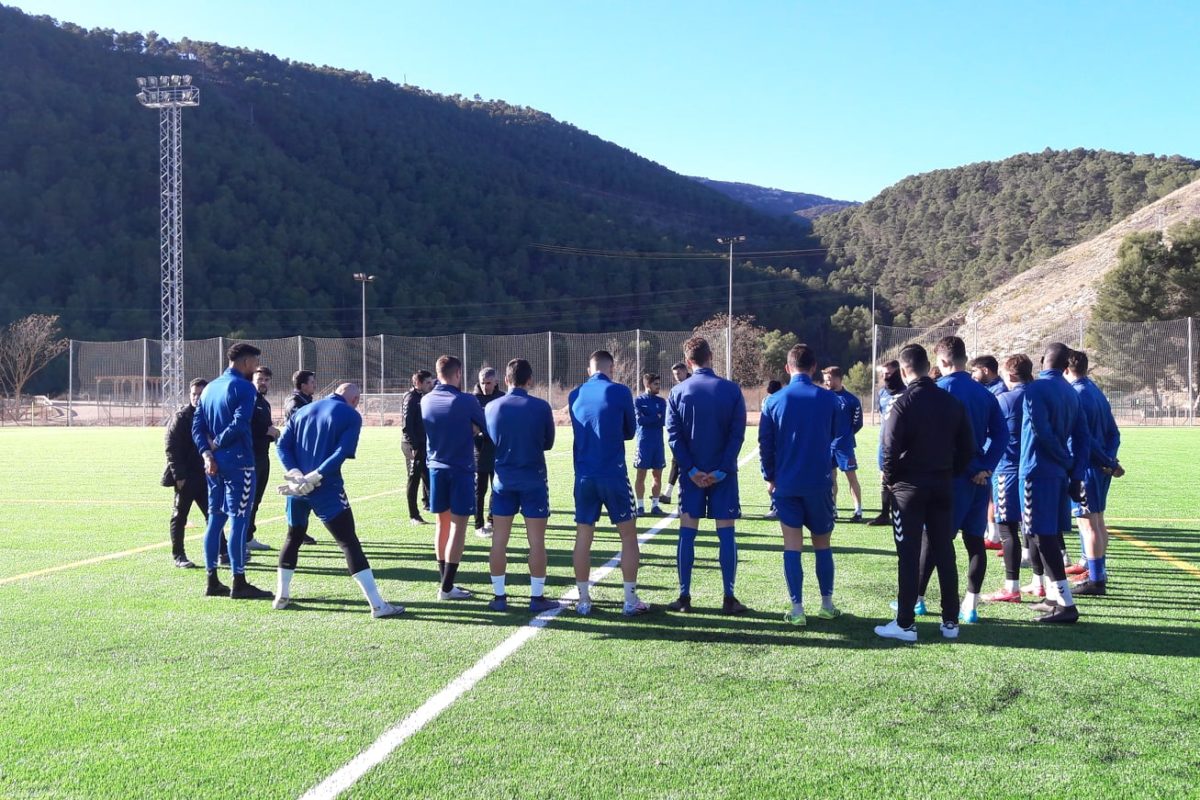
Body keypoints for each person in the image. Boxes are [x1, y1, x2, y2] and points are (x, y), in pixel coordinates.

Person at [273, 383, 403, 617]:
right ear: (355, 400)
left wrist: (295, 473)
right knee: (348, 543)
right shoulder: (351, 415)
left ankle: (281, 595)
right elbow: (341, 452)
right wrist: (316, 475)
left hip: (297, 488)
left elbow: (282, 444)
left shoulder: (304, 410)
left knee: (293, 537)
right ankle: (377, 605)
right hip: (326, 488)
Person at [875, 343, 975, 642]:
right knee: (944, 550)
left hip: (909, 489)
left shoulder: (902, 403)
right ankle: (950, 622)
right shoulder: (951, 402)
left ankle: (905, 623)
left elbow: (889, 449)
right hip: (942, 484)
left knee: (908, 554)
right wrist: (950, 470)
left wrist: (891, 480)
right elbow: (968, 449)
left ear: (905, 371)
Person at [914, 336, 1007, 624]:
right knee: (975, 541)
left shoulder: (939, 391)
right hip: (980, 481)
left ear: (941, 362)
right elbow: (1002, 435)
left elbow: (943, 441)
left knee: (933, 539)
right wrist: (986, 467)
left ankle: (916, 600)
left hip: (951, 478)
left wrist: (970, 468)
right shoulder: (985, 393)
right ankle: (971, 605)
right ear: (965, 359)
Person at [759, 344, 842, 626]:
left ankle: (797, 610)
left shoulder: (773, 401)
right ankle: (827, 605)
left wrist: (769, 477)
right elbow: (836, 437)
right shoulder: (829, 399)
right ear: (814, 367)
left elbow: (765, 445)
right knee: (822, 544)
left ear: (787, 368)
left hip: (787, 484)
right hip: (818, 483)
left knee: (792, 546)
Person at [665, 337, 748, 615]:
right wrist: (723, 469)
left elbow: (674, 437)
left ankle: (684, 597)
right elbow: (738, 434)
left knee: (687, 534)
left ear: (688, 361)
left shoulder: (677, 392)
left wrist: (690, 470)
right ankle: (729, 598)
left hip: (692, 477)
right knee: (726, 535)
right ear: (711, 356)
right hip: (723, 475)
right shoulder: (731, 390)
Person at [569, 350, 648, 617]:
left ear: (588, 369)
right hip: (613, 473)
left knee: (583, 536)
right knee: (628, 536)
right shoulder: (620, 391)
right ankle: (629, 600)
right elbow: (629, 430)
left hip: (584, 476)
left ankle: (583, 600)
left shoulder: (574, 394)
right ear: (611, 368)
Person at [191, 342, 272, 600]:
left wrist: (206, 453)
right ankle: (239, 581)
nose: (255, 370)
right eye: (254, 364)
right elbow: (239, 423)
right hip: (239, 462)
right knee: (239, 519)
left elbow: (197, 425)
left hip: (213, 464)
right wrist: (217, 444)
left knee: (215, 520)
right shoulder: (243, 387)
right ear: (247, 362)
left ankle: (212, 580)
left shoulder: (210, 388)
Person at [1020, 342, 1090, 624]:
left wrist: (1064, 460)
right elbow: (1083, 437)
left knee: (1041, 536)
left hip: (1038, 472)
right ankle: (1052, 596)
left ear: (1041, 361)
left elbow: (1041, 431)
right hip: (1060, 474)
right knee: (1046, 535)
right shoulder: (1071, 393)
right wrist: (1075, 472)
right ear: (1066, 366)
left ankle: (1066, 604)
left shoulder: (1034, 389)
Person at [483, 359, 559, 613]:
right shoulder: (540, 407)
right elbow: (548, 443)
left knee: (499, 542)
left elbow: (491, 439)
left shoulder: (492, 407)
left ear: (505, 380)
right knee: (536, 542)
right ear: (530, 380)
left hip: (503, 482)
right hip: (534, 480)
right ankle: (536, 598)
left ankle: (499, 596)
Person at [422, 355, 487, 600]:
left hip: (436, 468)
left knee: (442, 524)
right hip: (460, 469)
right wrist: (474, 429)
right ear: (458, 373)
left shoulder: (426, 400)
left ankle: (444, 581)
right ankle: (447, 587)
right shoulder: (466, 400)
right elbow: (485, 425)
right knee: (459, 527)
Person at [1066, 350, 1124, 596]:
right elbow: (1114, 433)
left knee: (1087, 523)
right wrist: (1109, 460)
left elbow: (1084, 440)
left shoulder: (1076, 395)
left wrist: (1104, 460)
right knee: (1098, 521)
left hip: (1087, 467)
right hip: (1100, 468)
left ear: (1066, 370)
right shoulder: (1095, 391)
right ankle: (1096, 570)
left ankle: (1096, 580)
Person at [982, 354, 1034, 603]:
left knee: (1007, 529)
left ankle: (1011, 587)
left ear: (1011, 375)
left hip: (1009, 470)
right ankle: (1039, 582)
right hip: (1036, 470)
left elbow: (990, 435)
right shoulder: (1038, 395)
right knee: (1033, 528)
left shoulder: (1004, 400)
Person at [162, 378, 208, 568]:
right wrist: (179, 475)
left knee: (213, 515)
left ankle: (222, 551)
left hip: (206, 475)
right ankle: (179, 555)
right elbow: (171, 448)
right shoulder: (182, 417)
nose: (197, 398)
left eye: (200, 394)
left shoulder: (211, 415)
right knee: (180, 516)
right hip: (187, 477)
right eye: (194, 394)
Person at [823, 366, 864, 522]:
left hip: (844, 447)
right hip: (827, 446)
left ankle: (858, 511)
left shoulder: (851, 400)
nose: (827, 382)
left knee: (851, 478)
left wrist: (845, 436)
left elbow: (857, 423)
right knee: (831, 479)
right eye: (825, 380)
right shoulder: (823, 398)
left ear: (839, 378)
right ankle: (833, 509)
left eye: (829, 379)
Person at [247, 365, 280, 554]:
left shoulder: (264, 403)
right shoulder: (249, 400)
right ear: (252, 380)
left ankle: (248, 537)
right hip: (249, 457)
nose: (263, 383)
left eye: (266, 380)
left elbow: (264, 428)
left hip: (263, 456)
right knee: (247, 500)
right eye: (260, 379)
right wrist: (266, 431)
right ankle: (239, 539)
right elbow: (244, 427)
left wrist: (273, 433)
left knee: (256, 499)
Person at [867, 361, 904, 526]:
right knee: (884, 477)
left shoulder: (907, 392)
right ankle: (884, 514)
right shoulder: (882, 393)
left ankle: (903, 513)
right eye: (883, 374)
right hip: (884, 444)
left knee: (901, 479)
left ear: (898, 372)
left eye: (888, 373)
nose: (885, 377)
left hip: (902, 445)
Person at [472, 367, 505, 537]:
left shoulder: (502, 397)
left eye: (489, 383)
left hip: (498, 451)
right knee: (479, 490)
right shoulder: (473, 399)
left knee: (497, 487)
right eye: (482, 383)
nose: (485, 386)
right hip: (479, 451)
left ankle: (491, 519)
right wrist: (478, 435)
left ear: (496, 382)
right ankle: (478, 525)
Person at [401, 370, 433, 525]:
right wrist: (413, 445)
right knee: (414, 479)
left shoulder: (426, 397)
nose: (431, 385)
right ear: (418, 383)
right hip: (412, 445)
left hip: (424, 443)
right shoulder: (411, 398)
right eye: (427, 382)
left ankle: (429, 503)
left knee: (428, 474)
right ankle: (414, 515)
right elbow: (407, 426)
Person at [634, 372, 667, 517]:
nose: (658, 386)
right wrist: (655, 417)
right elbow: (640, 421)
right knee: (641, 475)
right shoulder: (638, 401)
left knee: (657, 476)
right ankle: (640, 506)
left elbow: (663, 421)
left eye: (659, 384)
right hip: (643, 443)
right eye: (656, 384)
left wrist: (651, 418)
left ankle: (655, 505)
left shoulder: (662, 402)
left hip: (658, 444)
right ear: (647, 385)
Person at [659, 361, 691, 505]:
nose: (677, 376)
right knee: (676, 460)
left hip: (693, 431)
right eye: (675, 374)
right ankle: (669, 493)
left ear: (685, 371)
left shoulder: (693, 384)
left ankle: (672, 494)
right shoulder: (677, 388)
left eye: (678, 373)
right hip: (681, 431)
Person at [761, 379, 784, 520]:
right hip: (778, 445)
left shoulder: (769, 401)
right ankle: (777, 504)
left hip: (773, 445)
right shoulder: (780, 400)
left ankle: (778, 506)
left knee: (771, 481)